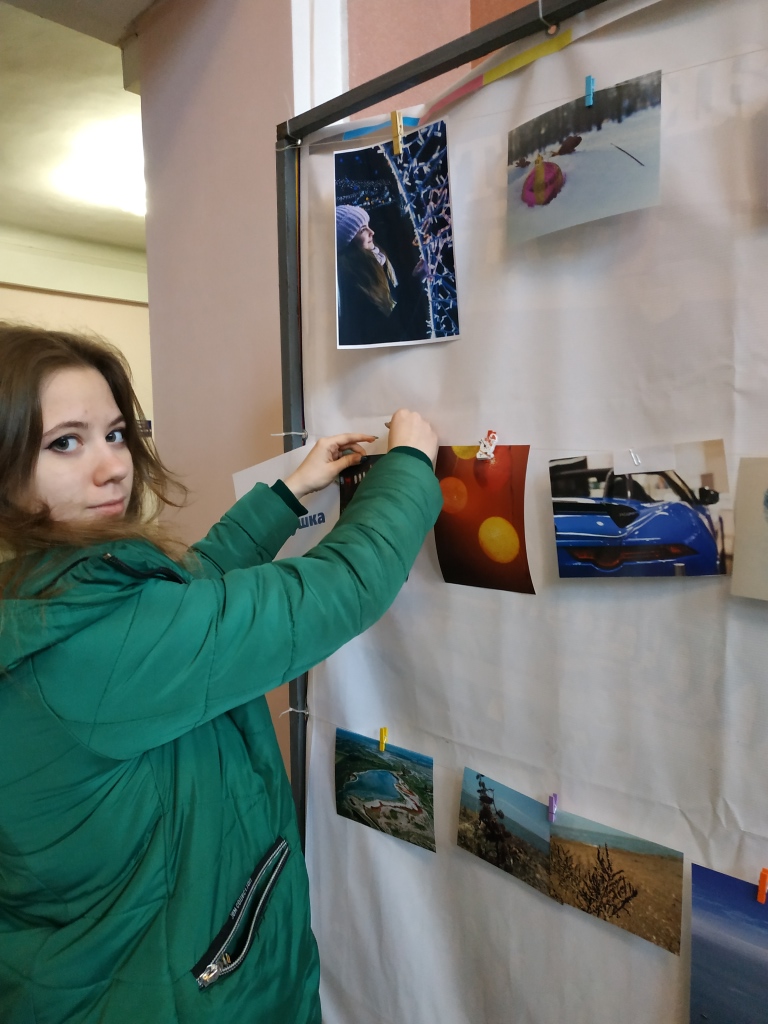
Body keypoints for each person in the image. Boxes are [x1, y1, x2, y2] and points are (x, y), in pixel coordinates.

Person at [0, 323, 441, 1024]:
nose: (112, 467)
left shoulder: (36, 597)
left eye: (116, 434)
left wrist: (288, 494)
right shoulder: (89, 650)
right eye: (64, 443)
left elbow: (184, 596)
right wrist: (410, 466)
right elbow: (333, 592)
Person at [335, 204, 429, 347]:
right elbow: (389, 330)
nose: (372, 232)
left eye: (368, 226)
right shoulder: (353, 284)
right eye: (363, 230)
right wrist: (414, 282)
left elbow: (392, 303)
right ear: (348, 241)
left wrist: (415, 278)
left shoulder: (375, 262)